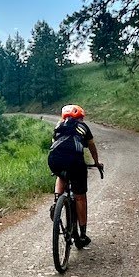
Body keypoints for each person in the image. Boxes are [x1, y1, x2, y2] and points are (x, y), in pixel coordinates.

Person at [47, 104, 102, 248]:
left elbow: (53, 145)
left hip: (54, 160)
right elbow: (92, 147)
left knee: (61, 175)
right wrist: (96, 162)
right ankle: (82, 234)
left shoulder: (58, 127)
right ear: (80, 117)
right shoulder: (83, 127)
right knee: (80, 196)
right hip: (75, 162)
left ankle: (57, 200)